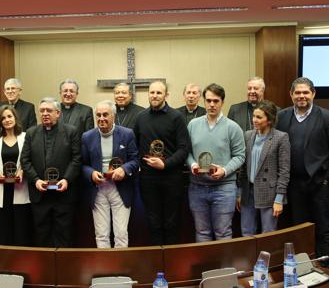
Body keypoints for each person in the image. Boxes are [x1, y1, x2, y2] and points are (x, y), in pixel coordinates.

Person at [276, 77, 329, 265]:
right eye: (297, 92)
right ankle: (302, 268)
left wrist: (326, 179)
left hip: (319, 184)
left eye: (305, 92)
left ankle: (326, 268)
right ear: (291, 95)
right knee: (298, 230)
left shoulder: (328, 117)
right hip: (294, 185)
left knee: (323, 229)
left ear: (313, 94)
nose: (301, 96)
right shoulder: (281, 116)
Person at [186, 83, 245, 241]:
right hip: (197, 187)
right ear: (204, 101)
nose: (212, 104)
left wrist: (225, 170)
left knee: (223, 232)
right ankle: (205, 267)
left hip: (224, 189)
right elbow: (186, 152)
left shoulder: (233, 127)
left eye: (216, 101)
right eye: (209, 100)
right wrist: (192, 165)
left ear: (222, 102)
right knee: (202, 232)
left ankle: (224, 266)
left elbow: (240, 156)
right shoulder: (193, 125)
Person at [133, 81, 190, 245]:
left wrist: (165, 164)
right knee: (153, 223)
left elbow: (184, 149)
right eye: (152, 92)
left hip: (172, 178)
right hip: (148, 179)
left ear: (166, 95)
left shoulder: (176, 117)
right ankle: (157, 262)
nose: (155, 96)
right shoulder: (141, 117)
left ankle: (171, 263)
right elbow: (134, 147)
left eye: (159, 93)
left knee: (171, 223)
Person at [20, 97, 81, 247]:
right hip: (40, 194)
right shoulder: (31, 132)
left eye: (49, 110)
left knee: (64, 235)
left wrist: (66, 179)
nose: (45, 114)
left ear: (58, 113)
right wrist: (36, 180)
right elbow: (25, 160)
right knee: (42, 235)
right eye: (42, 111)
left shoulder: (71, 132)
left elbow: (77, 159)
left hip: (64, 194)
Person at [81, 100, 139, 248]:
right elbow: (82, 164)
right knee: (101, 234)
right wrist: (91, 173)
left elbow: (135, 160)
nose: (101, 118)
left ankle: (121, 270)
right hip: (98, 190)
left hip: (120, 189)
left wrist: (124, 169)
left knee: (120, 233)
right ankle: (105, 269)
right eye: (98, 115)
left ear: (113, 115)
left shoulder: (127, 134)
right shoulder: (87, 137)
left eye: (105, 114)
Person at [237, 100, 290, 236]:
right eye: (254, 116)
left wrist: (279, 199)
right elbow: (243, 167)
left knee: (268, 233)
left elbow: (284, 171)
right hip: (248, 192)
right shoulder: (248, 135)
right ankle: (249, 258)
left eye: (259, 117)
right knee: (246, 232)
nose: (254, 120)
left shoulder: (281, 137)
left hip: (270, 194)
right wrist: (239, 192)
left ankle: (267, 258)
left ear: (270, 120)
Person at [0, 105, 32, 246]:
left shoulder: (25, 137)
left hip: (20, 186)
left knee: (21, 229)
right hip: (1, 187)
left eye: (9, 116)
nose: (7, 120)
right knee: (3, 229)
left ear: (15, 118)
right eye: (3, 118)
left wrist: (22, 172)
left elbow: (29, 159)